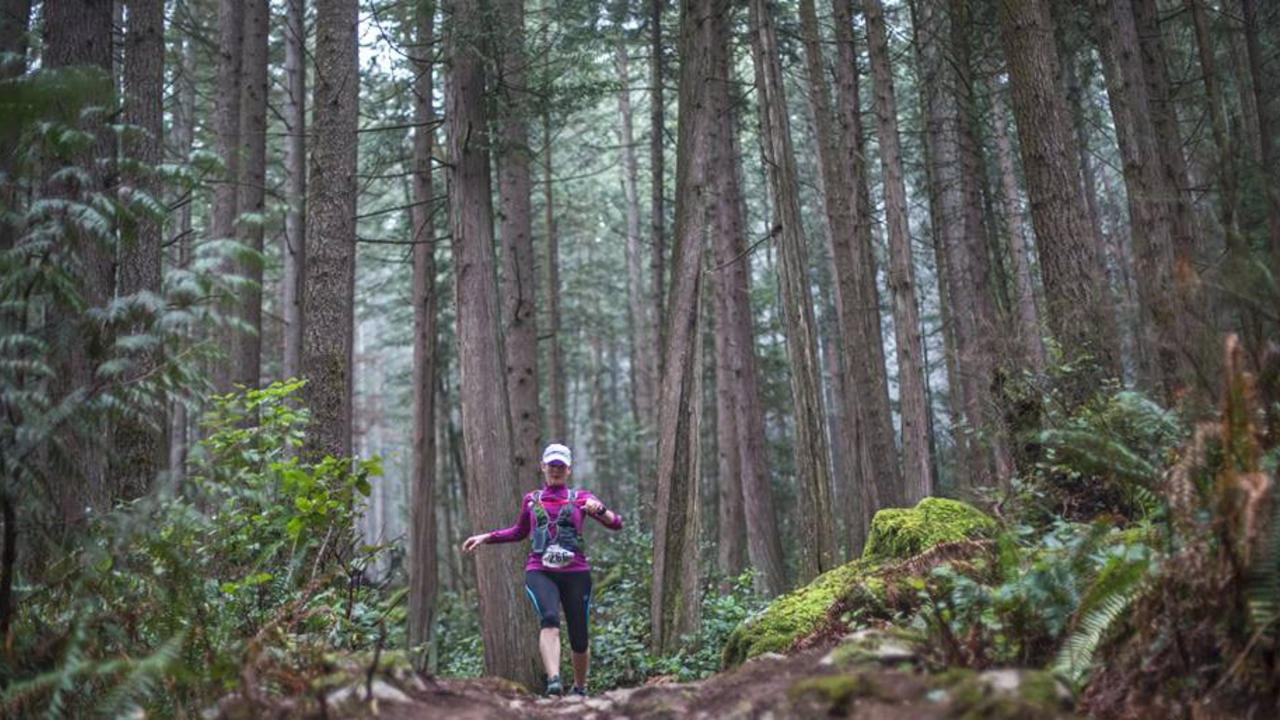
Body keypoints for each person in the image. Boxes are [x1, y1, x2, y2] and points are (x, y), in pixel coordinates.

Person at [462, 443, 624, 697]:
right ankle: (554, 680)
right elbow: (518, 532)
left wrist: (600, 511)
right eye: (552, 466)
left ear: (569, 469)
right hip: (540, 570)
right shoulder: (532, 500)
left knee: (579, 635)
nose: (556, 470)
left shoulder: (582, 498)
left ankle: (580, 688)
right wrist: (486, 537)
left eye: (561, 466)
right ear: (543, 467)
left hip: (576, 573)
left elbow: (616, 524)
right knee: (549, 619)